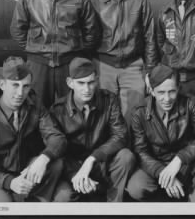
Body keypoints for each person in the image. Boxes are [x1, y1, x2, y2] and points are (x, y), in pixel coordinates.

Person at [10, 0, 100, 108]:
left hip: (69, 65)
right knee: (36, 112)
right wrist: (36, 51)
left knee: (71, 111)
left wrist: (73, 53)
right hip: (38, 65)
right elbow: (17, 29)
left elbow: (91, 31)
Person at [0, 56, 67, 202]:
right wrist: (10, 182)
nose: (21, 93)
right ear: (2, 84)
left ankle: (33, 202)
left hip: (26, 170)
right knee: (4, 206)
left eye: (25, 86)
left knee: (56, 163)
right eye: (15, 85)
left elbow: (57, 138)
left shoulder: (35, 104)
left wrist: (43, 159)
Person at [127, 65, 195, 202]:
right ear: (152, 91)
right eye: (161, 93)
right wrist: (163, 174)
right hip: (157, 165)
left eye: (172, 91)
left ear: (179, 88)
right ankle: (165, 197)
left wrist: (179, 159)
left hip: (185, 164)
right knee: (136, 187)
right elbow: (141, 151)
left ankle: (190, 196)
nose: (167, 98)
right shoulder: (139, 111)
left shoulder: (190, 102)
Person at [50, 58, 135, 202]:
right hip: (73, 168)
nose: (87, 89)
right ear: (70, 83)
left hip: (101, 161)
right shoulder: (57, 110)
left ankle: (113, 206)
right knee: (62, 198)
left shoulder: (109, 99)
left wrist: (92, 159)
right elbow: (58, 151)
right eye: (81, 83)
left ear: (97, 80)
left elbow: (120, 135)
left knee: (126, 156)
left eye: (91, 82)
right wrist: (76, 174)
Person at [90, 0, 158, 125]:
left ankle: (131, 152)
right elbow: (88, 38)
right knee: (104, 116)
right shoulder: (95, 1)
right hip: (104, 66)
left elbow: (150, 36)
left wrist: (150, 70)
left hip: (132, 65)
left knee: (134, 117)